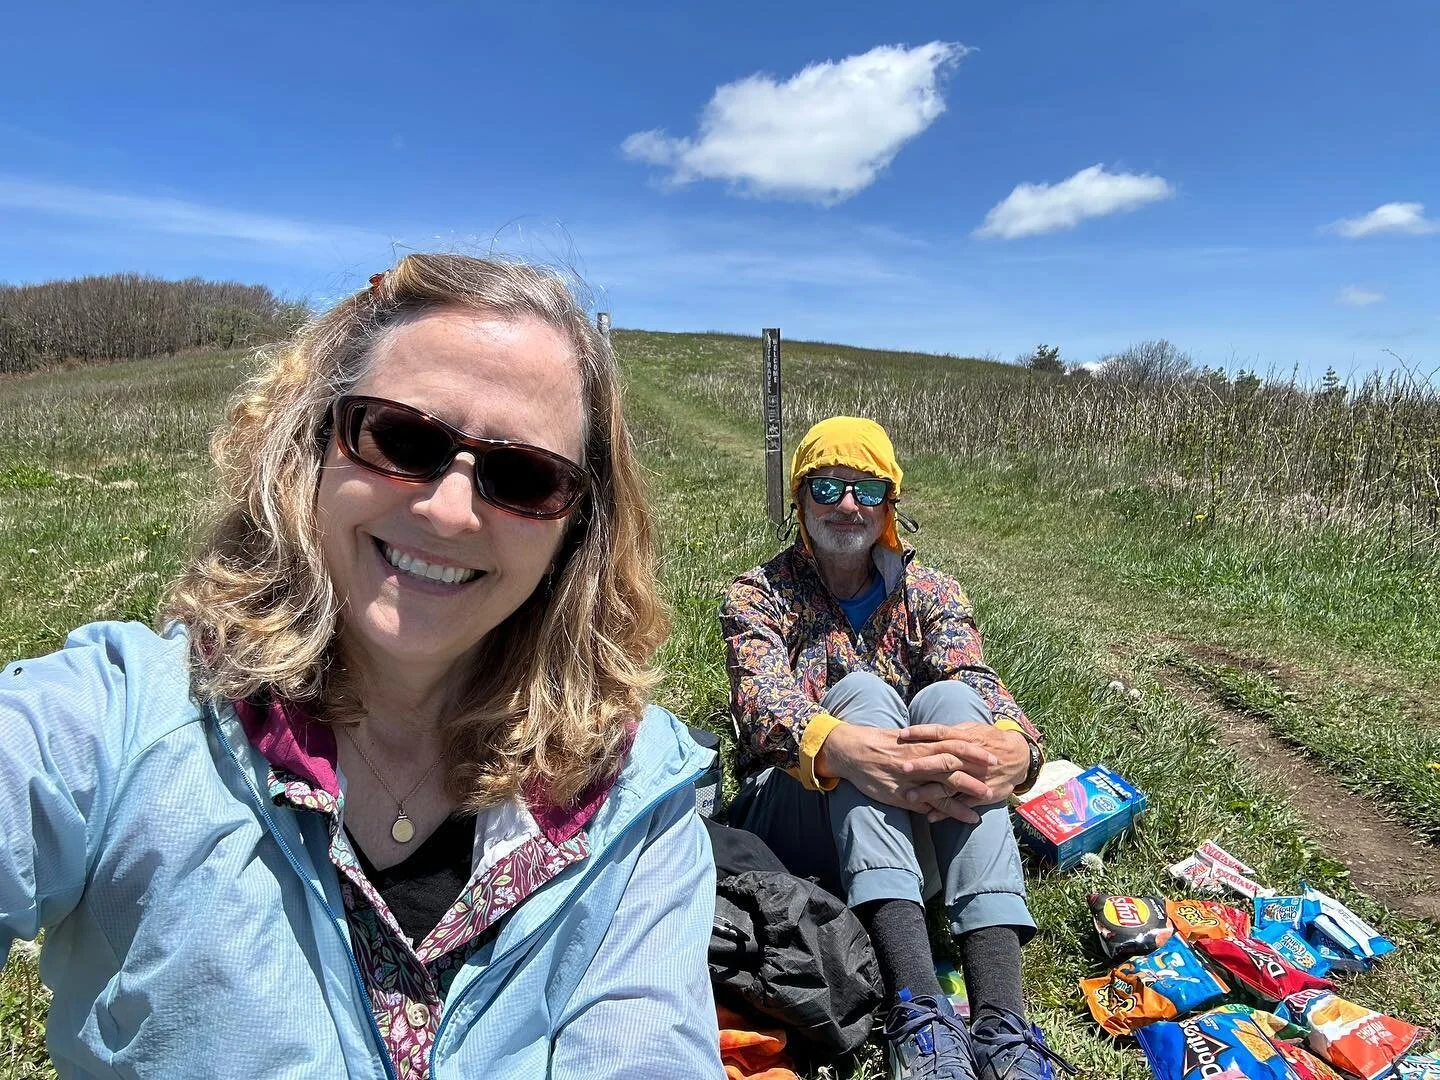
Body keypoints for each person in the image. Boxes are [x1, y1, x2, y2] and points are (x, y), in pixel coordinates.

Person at [0, 254, 725, 1079]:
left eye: (521, 477)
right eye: (401, 438)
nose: (449, 511)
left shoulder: (635, 797)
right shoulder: (121, 718)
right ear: (311, 446)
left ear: (575, 533)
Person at [721, 417, 1073, 1080]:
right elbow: (763, 706)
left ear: (890, 503)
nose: (847, 505)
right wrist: (846, 747)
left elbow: (974, 677)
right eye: (826, 487)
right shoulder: (757, 595)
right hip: (793, 834)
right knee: (861, 695)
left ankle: (1001, 1015)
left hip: (914, 829)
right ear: (799, 500)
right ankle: (916, 1003)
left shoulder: (933, 593)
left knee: (959, 710)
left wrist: (1018, 753)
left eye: (867, 489)